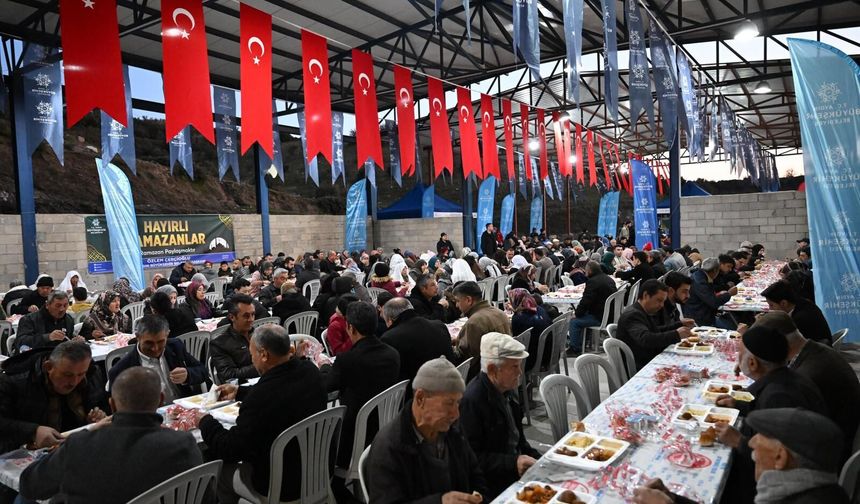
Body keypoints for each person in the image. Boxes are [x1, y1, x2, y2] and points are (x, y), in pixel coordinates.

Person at [17, 367, 204, 504]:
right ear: (160, 400)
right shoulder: (183, 444)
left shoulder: (80, 446)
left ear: (112, 405)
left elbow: (29, 485)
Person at [194, 324, 327, 504]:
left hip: (281, 486)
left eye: (252, 354)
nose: (252, 359)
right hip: (318, 470)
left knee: (220, 472)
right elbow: (282, 391)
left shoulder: (260, 399)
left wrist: (205, 422)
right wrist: (240, 391)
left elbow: (231, 449)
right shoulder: (311, 372)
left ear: (263, 355)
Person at [634, 408, 849, 504]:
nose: (751, 443)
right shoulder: (804, 489)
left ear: (780, 458)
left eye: (761, 436)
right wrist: (675, 499)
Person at [713, 325, 827, 504]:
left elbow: (779, 460)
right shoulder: (786, 378)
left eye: (739, 354)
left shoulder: (778, 397)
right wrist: (740, 404)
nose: (737, 359)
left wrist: (739, 441)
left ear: (752, 363)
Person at [366, 357, 487, 504]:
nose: (456, 414)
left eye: (457, 403)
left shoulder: (451, 429)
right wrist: (440, 502)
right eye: (449, 403)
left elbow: (475, 473)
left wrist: (479, 497)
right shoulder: (390, 446)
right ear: (420, 398)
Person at [753, 312, 860, 462]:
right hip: (837, 431)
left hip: (828, 455)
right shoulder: (815, 349)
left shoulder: (808, 373)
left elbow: (787, 429)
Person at [318, 301, 400, 483]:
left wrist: (323, 366)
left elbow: (326, 387)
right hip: (386, 422)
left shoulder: (348, 360)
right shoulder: (392, 353)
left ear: (351, 328)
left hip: (355, 431)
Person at [459, 333, 538, 499]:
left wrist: (539, 459)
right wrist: (512, 463)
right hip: (493, 484)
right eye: (514, 367)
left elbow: (518, 440)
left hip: (515, 471)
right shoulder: (473, 401)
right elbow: (470, 458)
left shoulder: (507, 391)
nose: (520, 372)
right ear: (492, 370)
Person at [0, 341, 107, 454]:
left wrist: (94, 416)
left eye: (81, 374)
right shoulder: (14, 381)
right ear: (48, 367)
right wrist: (33, 431)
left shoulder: (91, 373)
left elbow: (100, 403)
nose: (74, 382)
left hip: (73, 446)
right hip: (26, 451)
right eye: (67, 375)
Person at [108, 315, 207, 402]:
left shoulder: (175, 347)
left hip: (182, 409)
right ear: (138, 337)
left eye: (160, 342)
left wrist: (188, 375)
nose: (155, 349)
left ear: (167, 334)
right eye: (149, 343)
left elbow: (203, 371)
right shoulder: (122, 369)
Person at [616, 280, 692, 370]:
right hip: (638, 365)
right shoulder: (633, 314)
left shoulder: (643, 311)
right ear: (645, 295)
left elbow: (655, 330)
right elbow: (645, 338)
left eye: (663, 301)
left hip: (646, 358)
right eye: (659, 300)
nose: (662, 305)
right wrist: (676, 334)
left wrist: (679, 324)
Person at [382, 298, 455, 390]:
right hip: (451, 383)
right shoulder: (439, 325)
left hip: (420, 394)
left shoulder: (390, 338)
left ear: (389, 320)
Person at [453, 281, 512, 381]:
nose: (456, 305)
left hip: (486, 379)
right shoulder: (499, 312)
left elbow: (469, 360)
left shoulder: (474, 323)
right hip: (504, 369)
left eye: (457, 301)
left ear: (468, 300)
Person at [567, 261, 618, 356]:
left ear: (589, 271)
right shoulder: (608, 279)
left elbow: (585, 301)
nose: (585, 272)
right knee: (582, 314)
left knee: (574, 321)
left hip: (601, 317)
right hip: (611, 314)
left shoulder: (592, 282)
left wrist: (576, 314)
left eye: (586, 270)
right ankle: (584, 341)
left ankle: (575, 349)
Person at [761, 280, 832, 345]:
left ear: (784, 303)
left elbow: (783, 344)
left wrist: (763, 325)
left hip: (816, 354)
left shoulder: (799, 319)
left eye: (771, 305)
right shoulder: (802, 302)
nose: (770, 308)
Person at [209, 294, 259, 383]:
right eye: (246, 316)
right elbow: (228, 375)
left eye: (253, 314)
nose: (251, 319)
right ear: (232, 317)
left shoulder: (260, 334)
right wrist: (261, 365)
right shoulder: (219, 343)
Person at [684, 257, 736, 328]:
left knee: (730, 322)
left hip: (704, 313)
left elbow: (710, 296)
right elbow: (713, 302)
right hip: (699, 317)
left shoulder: (702, 275)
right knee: (731, 327)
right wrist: (729, 294)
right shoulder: (700, 281)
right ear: (715, 270)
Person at [509, 288, 552, 370]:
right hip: (549, 353)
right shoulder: (539, 309)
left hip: (533, 360)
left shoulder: (518, 318)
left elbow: (516, 340)